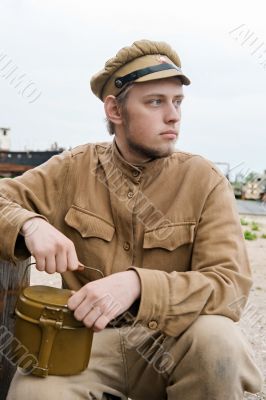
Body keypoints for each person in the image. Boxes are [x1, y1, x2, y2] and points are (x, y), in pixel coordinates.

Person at [0, 39, 263, 400]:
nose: (173, 115)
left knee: (220, 342)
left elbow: (229, 287)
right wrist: (29, 224)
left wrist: (138, 285)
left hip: (174, 339)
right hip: (83, 344)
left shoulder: (203, 180)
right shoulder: (73, 168)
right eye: (155, 102)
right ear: (115, 110)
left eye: (177, 102)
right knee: (32, 393)